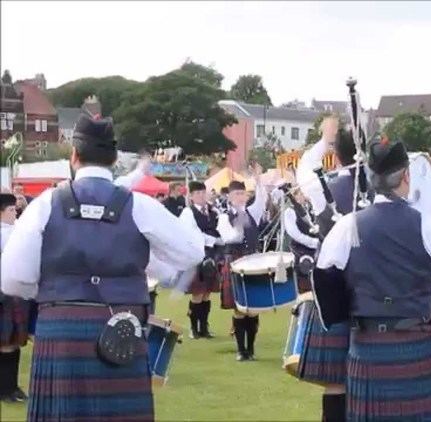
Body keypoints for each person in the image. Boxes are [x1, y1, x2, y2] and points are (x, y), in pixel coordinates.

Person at [0, 114, 204, 421]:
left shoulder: (43, 204)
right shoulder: (141, 206)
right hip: (122, 325)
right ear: (113, 160)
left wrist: (55, 290)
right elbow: (191, 253)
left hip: (61, 329)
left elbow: (12, 280)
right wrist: (146, 262)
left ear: (74, 156)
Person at [315, 138, 431, 421]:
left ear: (371, 179)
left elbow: (325, 281)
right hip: (416, 342)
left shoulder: (347, 226)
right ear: (406, 176)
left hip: (366, 346)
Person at [295, 116, 356, 421]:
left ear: (338, 155)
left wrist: (325, 139)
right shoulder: (386, 189)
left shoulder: (323, 186)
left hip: (332, 287)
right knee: (372, 374)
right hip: (373, 286)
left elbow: (305, 165)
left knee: (335, 380)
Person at [216, 166, 268, 362]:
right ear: (229, 197)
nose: (240, 196)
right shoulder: (223, 217)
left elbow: (262, 199)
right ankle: (240, 350)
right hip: (235, 262)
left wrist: (258, 180)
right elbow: (231, 238)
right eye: (236, 193)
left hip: (252, 262)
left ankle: (251, 349)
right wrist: (238, 221)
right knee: (239, 308)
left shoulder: (252, 212)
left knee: (253, 307)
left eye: (243, 193)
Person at [179, 181, 223, 339]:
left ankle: (204, 327)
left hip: (212, 255)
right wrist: (213, 240)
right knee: (197, 293)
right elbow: (192, 234)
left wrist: (221, 239)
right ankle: (193, 328)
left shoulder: (213, 211)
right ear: (191, 196)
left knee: (207, 293)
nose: (201, 196)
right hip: (196, 255)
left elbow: (220, 229)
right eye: (197, 193)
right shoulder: (187, 213)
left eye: (203, 193)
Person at [0, 193, 31, 403]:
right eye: (10, 209)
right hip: (4, 295)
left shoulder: (16, 228)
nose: (15, 212)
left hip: (15, 294)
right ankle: (5, 389)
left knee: (15, 342)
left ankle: (12, 387)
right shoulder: (5, 233)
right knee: (5, 343)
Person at [281, 186, 319, 293]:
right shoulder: (289, 211)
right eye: (301, 193)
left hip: (314, 248)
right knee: (305, 283)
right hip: (300, 250)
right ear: (295, 196)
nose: (304, 195)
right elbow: (295, 234)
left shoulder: (308, 207)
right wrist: (313, 242)